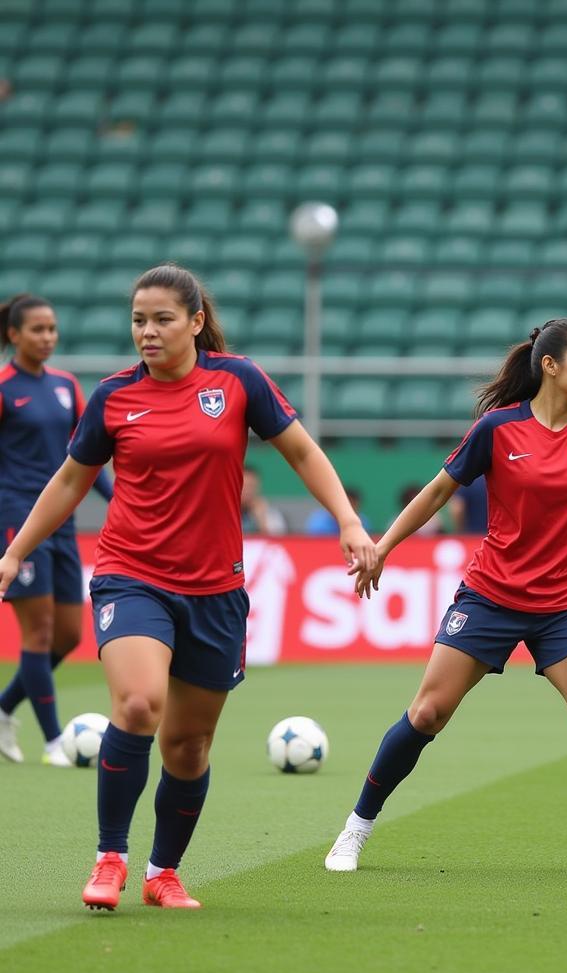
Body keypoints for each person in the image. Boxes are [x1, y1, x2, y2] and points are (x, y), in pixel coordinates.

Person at [0, 264, 375, 910]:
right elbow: (68, 482)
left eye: (162, 319)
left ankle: (162, 872)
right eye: (138, 321)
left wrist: (347, 520)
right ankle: (110, 860)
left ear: (196, 323)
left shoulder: (238, 381)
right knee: (140, 705)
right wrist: (14, 553)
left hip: (215, 591)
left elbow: (303, 451)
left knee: (189, 745)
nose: (147, 331)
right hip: (130, 575)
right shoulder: (114, 396)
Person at [323, 317, 567, 874]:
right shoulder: (498, 429)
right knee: (427, 712)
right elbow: (438, 491)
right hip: (490, 597)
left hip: (565, 604)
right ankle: (355, 829)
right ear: (550, 366)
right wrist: (383, 546)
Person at [0, 294, 113, 767]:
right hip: (17, 521)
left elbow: (85, 456)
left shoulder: (67, 386)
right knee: (39, 633)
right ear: (14, 335)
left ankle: (4, 707)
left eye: (52, 329)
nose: (48, 337)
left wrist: (117, 498)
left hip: (63, 523)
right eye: (37, 329)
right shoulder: (4, 388)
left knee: (68, 634)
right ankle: (52, 741)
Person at [240, 463, 287, 535]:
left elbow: (278, 543)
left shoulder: (271, 514)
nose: (247, 491)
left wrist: (262, 519)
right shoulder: (225, 513)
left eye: (251, 486)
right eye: (244, 486)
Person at [305, 486, 370, 535]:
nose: (350, 508)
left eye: (353, 504)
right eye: (347, 503)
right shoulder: (319, 521)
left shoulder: (363, 521)